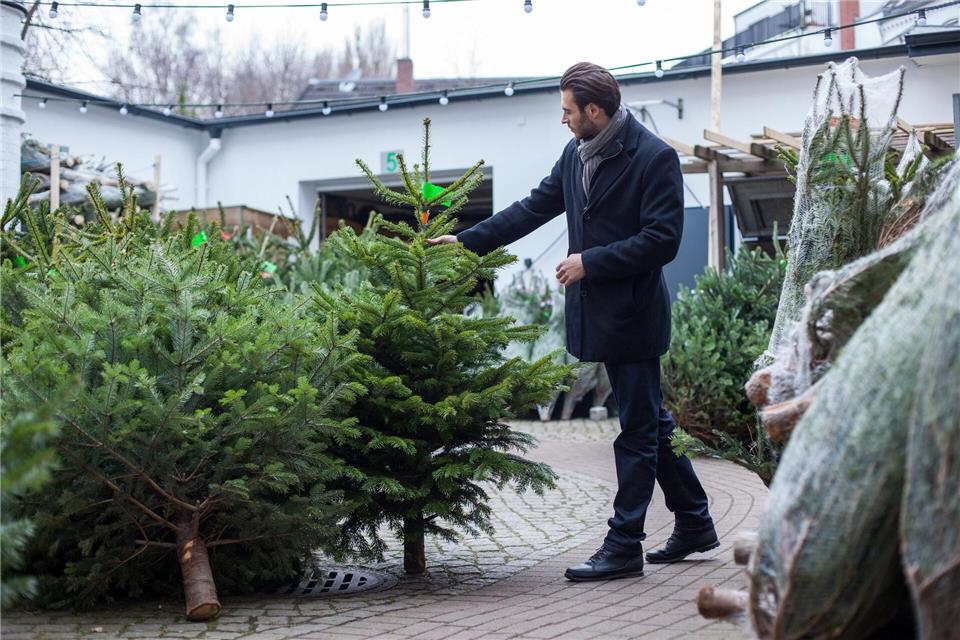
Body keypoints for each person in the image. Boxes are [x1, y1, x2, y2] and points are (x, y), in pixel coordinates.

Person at [427, 62, 718, 581]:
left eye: (567, 110)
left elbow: (663, 240)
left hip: (633, 315)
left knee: (636, 431)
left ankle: (625, 543)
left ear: (593, 110)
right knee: (651, 418)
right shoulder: (574, 155)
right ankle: (694, 521)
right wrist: (468, 242)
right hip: (597, 314)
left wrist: (591, 260)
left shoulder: (654, 157)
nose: (561, 120)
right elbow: (533, 207)